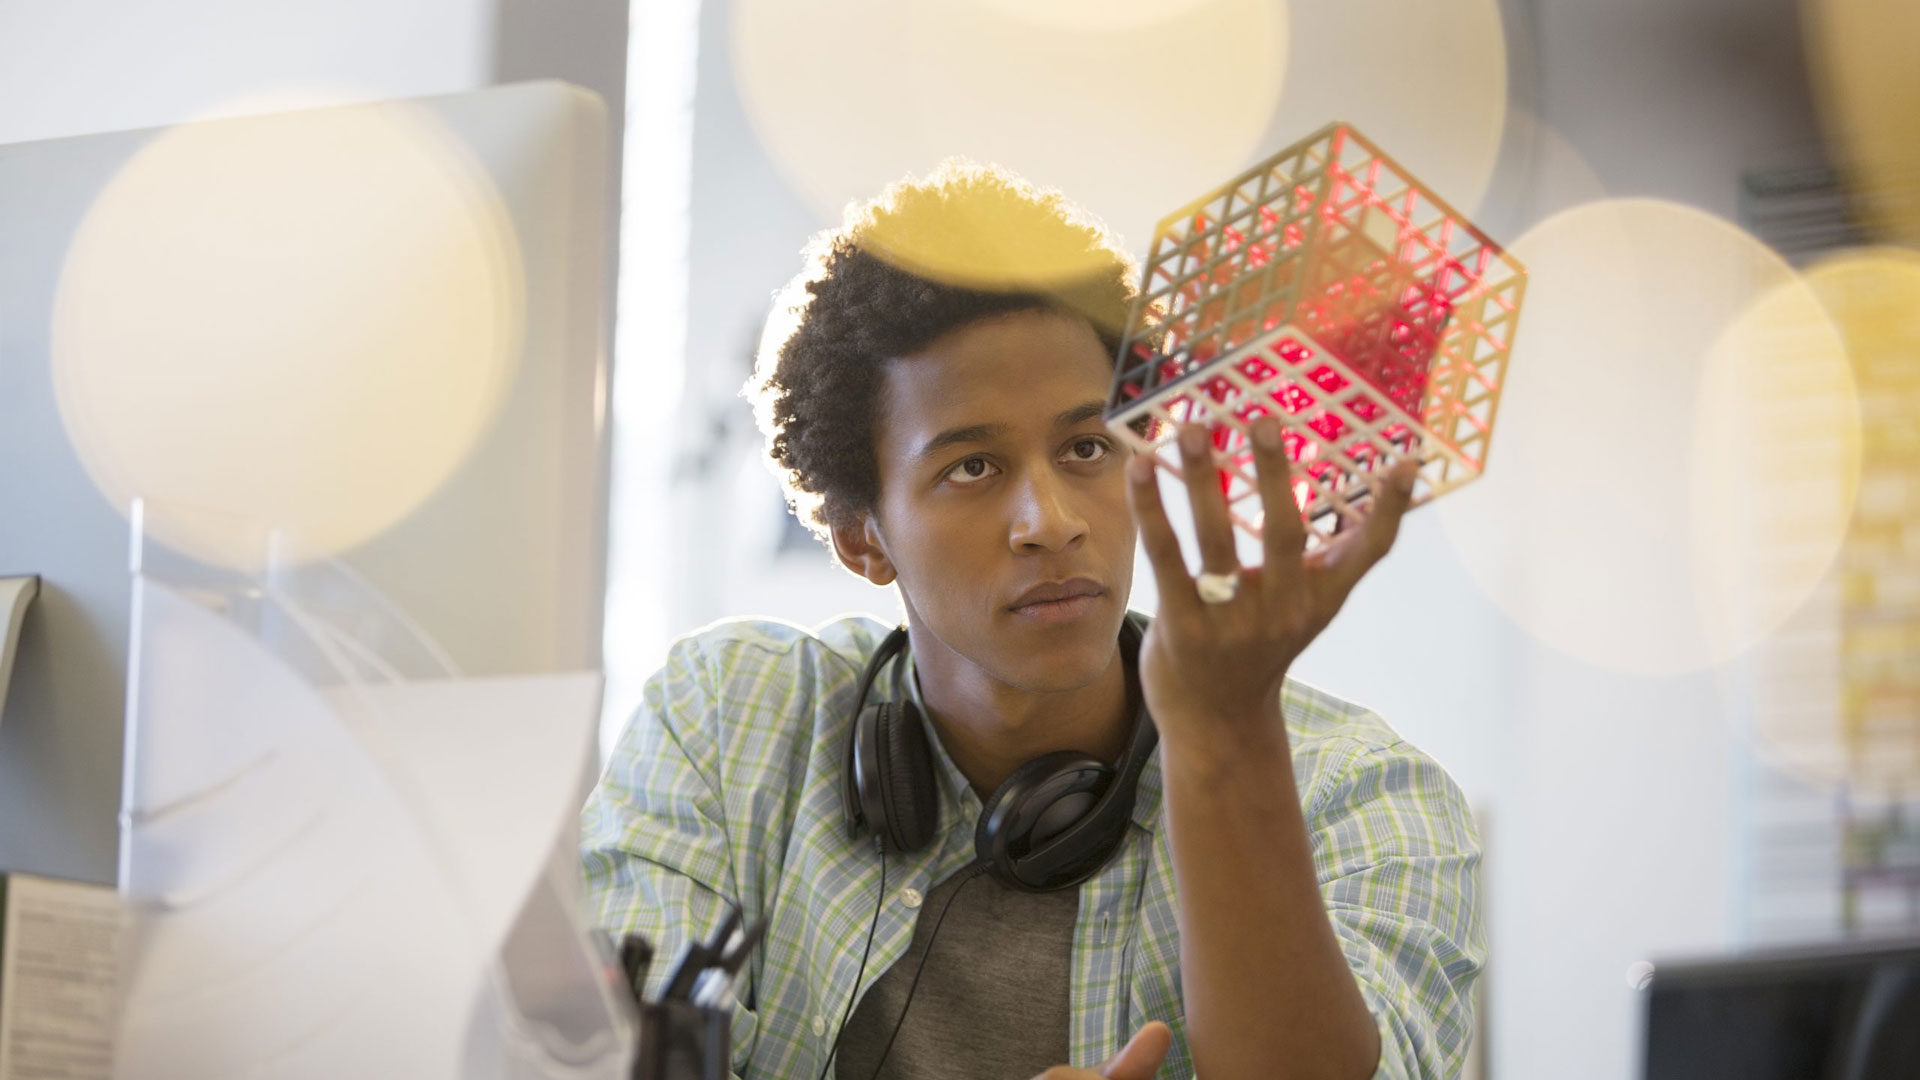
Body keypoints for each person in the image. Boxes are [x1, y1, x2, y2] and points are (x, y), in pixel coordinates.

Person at [581, 160, 1485, 1080]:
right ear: (864, 540)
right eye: (972, 467)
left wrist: (1224, 732)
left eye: (1088, 446)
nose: (1052, 522)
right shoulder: (729, 725)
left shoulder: (1363, 794)